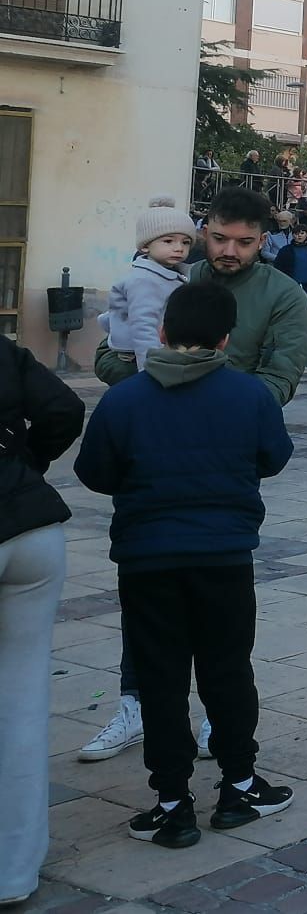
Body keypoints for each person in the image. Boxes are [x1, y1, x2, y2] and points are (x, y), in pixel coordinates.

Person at [79, 188, 307, 767]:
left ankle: (218, 720)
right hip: (154, 466)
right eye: (219, 238)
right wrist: (160, 393)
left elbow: (280, 380)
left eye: (244, 242)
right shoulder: (167, 272)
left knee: (220, 621)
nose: (228, 251)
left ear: (263, 241)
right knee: (147, 601)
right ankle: (135, 705)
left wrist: (209, 396)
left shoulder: (283, 295)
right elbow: (110, 354)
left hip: (222, 466)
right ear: (203, 230)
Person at [74, 282, 295, 851]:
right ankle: (239, 786)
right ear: (226, 339)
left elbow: (94, 472)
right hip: (224, 557)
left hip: (146, 560)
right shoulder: (249, 395)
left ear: (163, 332)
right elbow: (274, 457)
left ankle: (172, 804)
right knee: (228, 670)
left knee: (160, 679)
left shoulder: (124, 399)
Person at [0, 335, 86, 903]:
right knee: (22, 705)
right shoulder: (3, 351)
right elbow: (64, 409)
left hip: (25, 513)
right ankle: (13, 872)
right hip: (30, 527)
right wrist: (22, 463)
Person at [98, 198, 197, 383]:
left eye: (185, 242)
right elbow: (143, 327)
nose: (179, 248)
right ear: (145, 246)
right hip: (135, 357)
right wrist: (149, 372)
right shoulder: (144, 280)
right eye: (168, 241)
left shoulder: (169, 273)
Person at [271, 225, 307, 312]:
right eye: (296, 234)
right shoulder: (285, 250)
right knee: (293, 304)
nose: (299, 236)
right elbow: (278, 266)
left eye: (302, 233)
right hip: (291, 282)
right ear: (292, 235)